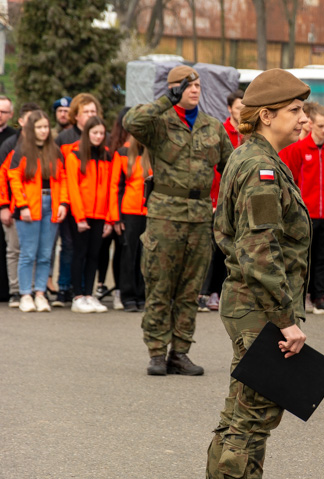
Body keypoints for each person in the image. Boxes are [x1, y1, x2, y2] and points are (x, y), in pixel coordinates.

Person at [207, 68, 310, 479]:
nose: (303, 118)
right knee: (250, 421)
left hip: (251, 304)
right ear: (266, 115)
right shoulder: (259, 167)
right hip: (259, 309)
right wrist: (286, 319)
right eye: (294, 111)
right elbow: (259, 250)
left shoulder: (255, 158)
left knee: (239, 417)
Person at [124, 64, 234, 375]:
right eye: (187, 85)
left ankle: (180, 352)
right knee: (160, 285)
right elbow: (131, 121)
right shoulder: (158, 123)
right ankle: (157, 352)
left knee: (190, 290)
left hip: (200, 217)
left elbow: (231, 166)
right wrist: (164, 101)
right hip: (164, 215)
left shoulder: (212, 127)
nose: (195, 89)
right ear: (174, 89)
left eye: (197, 84)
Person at [280, 103, 324, 315]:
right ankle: (302, 296)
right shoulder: (298, 149)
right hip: (305, 214)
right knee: (302, 257)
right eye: (321, 125)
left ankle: (320, 297)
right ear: (311, 124)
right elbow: (290, 181)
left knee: (323, 258)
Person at [7, 111, 68, 313]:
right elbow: (14, 180)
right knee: (28, 253)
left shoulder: (55, 152)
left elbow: (63, 179)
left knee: (45, 254)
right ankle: (25, 294)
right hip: (29, 207)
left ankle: (40, 293)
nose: (43, 131)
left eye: (45, 127)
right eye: (39, 127)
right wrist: (22, 205)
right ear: (31, 130)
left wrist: (63, 204)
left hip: (52, 203)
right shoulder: (21, 152)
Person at [55, 93, 103, 306]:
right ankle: (67, 289)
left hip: (97, 210)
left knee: (91, 252)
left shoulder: (103, 146)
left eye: (94, 112)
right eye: (86, 112)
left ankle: (87, 292)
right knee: (70, 247)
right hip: (72, 205)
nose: (90, 115)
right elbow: (65, 178)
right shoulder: (65, 140)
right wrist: (66, 204)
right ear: (76, 115)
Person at [201, 89, 245, 312]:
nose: (241, 111)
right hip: (218, 200)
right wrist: (213, 200)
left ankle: (231, 291)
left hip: (241, 201)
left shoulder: (249, 132)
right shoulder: (220, 131)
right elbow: (216, 169)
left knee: (236, 248)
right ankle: (210, 292)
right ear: (229, 109)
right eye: (238, 108)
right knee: (217, 247)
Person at [66, 116, 112, 314]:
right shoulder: (74, 155)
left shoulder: (107, 156)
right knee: (80, 253)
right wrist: (79, 217)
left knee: (95, 255)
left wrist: (109, 218)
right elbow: (73, 188)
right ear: (87, 134)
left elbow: (110, 188)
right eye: (95, 133)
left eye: (101, 133)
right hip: (81, 214)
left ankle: (88, 294)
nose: (98, 137)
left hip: (100, 214)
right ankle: (77, 296)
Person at [108, 109, 151, 312]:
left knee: (146, 256)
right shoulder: (123, 153)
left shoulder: (154, 152)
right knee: (129, 255)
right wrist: (116, 217)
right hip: (129, 212)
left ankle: (142, 295)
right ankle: (128, 295)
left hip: (150, 212)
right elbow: (115, 187)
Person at [0, 102, 42, 308]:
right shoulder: (11, 145)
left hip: (36, 207)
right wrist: (4, 206)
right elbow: (3, 177)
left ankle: (33, 288)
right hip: (15, 206)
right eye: (30, 120)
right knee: (15, 249)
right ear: (21, 121)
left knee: (34, 250)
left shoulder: (42, 146)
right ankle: (16, 290)